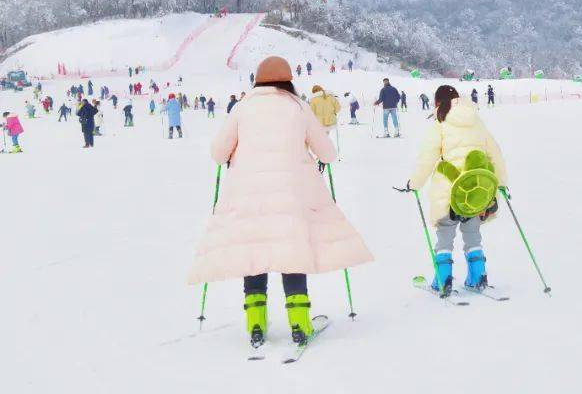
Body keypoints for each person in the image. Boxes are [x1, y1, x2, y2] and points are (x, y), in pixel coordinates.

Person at [186, 56, 374, 347]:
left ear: (258, 81)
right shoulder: (297, 108)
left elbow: (217, 153)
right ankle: (299, 323)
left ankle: (256, 324)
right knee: (291, 253)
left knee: (254, 255)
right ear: (288, 80)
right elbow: (327, 154)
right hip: (291, 195)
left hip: (247, 196)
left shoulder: (242, 108)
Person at [403, 85, 508, 296]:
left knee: (445, 235)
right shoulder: (476, 121)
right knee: (472, 233)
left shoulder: (440, 124)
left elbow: (427, 157)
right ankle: (478, 276)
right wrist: (501, 183)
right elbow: (495, 152)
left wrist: (413, 184)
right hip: (476, 190)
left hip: (449, 191)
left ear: (438, 102)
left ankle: (443, 280)